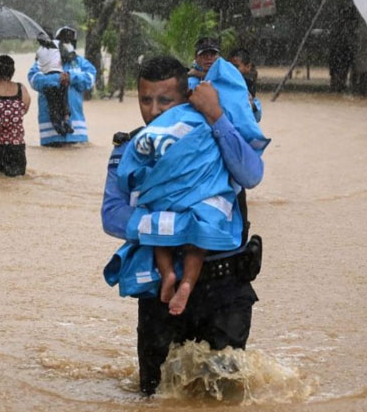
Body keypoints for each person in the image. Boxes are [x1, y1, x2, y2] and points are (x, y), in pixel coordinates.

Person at [101, 56, 267, 396]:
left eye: (165, 100)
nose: (154, 111)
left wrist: (217, 116)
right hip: (159, 291)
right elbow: (112, 214)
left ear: (186, 98)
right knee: (156, 393)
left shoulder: (215, 135)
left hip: (224, 289)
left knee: (226, 395)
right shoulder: (133, 148)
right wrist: (176, 225)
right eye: (146, 100)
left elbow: (251, 175)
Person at [27, 26, 97, 147]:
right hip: (50, 132)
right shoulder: (43, 61)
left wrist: (71, 77)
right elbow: (34, 79)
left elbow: (90, 79)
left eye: (69, 40)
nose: (66, 44)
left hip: (77, 132)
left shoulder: (80, 62)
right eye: (63, 40)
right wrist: (57, 78)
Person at [35, 32, 75, 135]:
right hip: (60, 77)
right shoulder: (57, 44)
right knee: (64, 101)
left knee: (53, 105)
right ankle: (66, 121)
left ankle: (57, 125)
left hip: (48, 79)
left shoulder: (39, 51)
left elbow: (37, 63)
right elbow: (68, 55)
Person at [228, 47, 263, 123]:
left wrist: (252, 105)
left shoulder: (248, 85)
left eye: (236, 66)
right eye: (229, 66)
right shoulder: (225, 82)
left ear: (247, 67)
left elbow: (257, 117)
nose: (232, 69)